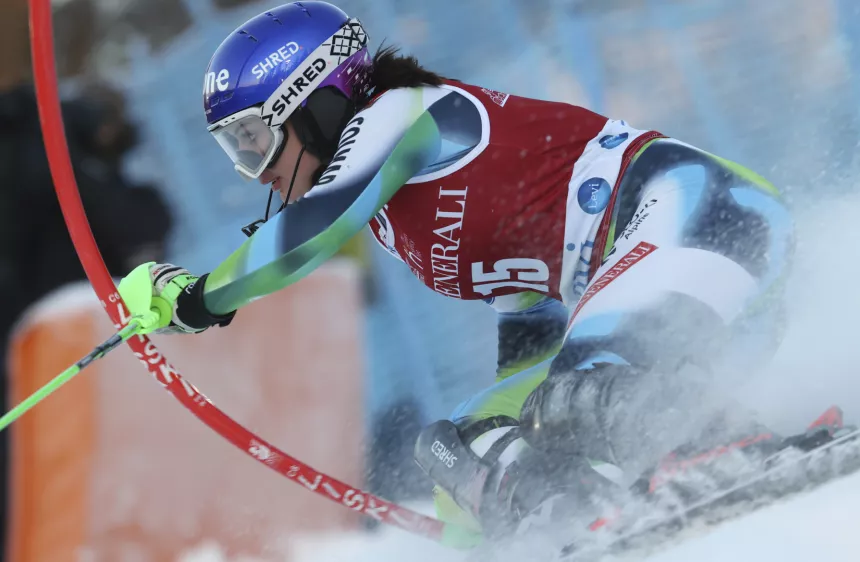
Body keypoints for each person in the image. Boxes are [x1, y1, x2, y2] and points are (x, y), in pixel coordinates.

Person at [117, 1, 794, 543]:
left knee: (584, 387)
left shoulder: (402, 115)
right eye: (238, 151)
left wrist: (201, 297)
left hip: (706, 216)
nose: (257, 170)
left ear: (317, 105)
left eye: (258, 140)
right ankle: (574, 517)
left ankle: (724, 444)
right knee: (459, 444)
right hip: (659, 308)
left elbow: (312, 229)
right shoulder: (389, 209)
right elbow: (528, 304)